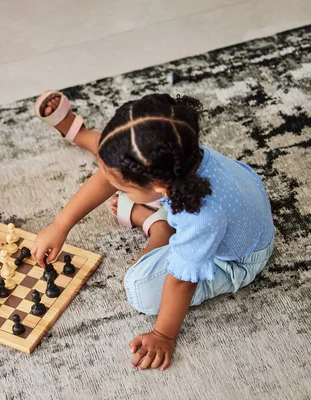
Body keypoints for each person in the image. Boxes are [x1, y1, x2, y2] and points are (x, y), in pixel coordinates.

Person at [31, 91, 275, 370]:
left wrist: (162, 335)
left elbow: (182, 282)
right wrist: (60, 225)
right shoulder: (175, 145)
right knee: (119, 160)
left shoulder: (200, 216)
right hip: (235, 202)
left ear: (159, 188)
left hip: (237, 258)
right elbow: (111, 173)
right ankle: (82, 134)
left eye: (121, 187)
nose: (114, 186)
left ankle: (159, 229)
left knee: (139, 288)